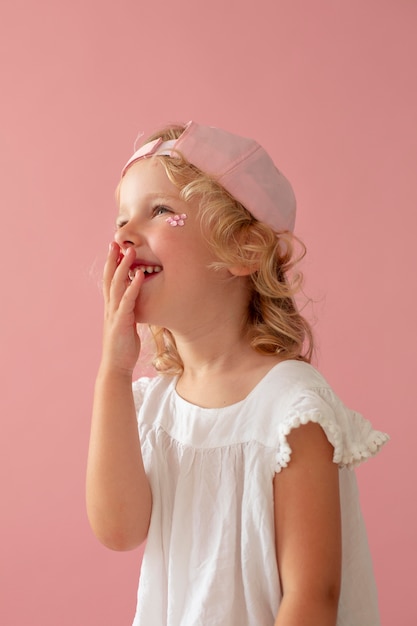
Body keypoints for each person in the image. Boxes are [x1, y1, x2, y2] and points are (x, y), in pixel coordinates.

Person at [86, 121, 389, 626]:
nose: (124, 233)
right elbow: (118, 530)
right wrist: (113, 370)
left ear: (244, 251)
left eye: (160, 211)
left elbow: (313, 596)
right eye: (121, 219)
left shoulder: (290, 410)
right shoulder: (154, 408)